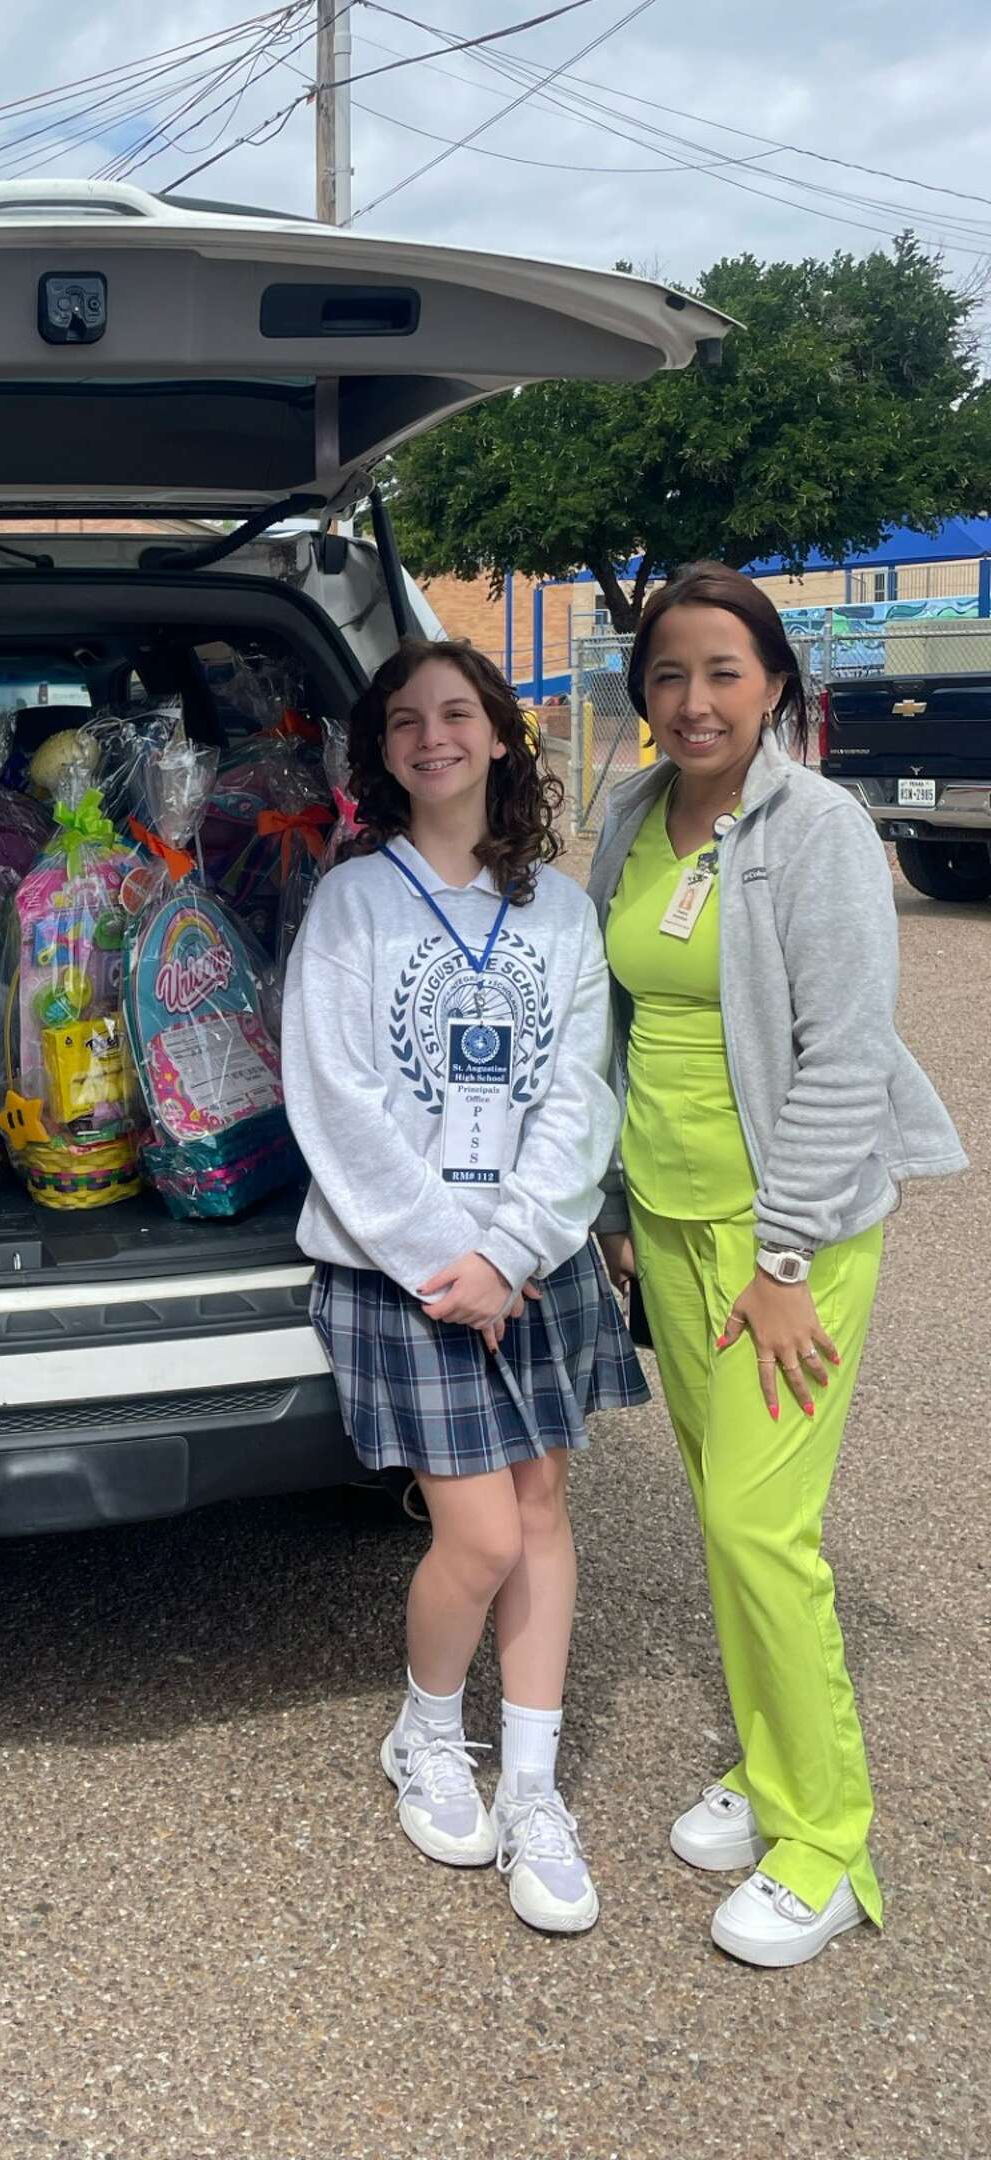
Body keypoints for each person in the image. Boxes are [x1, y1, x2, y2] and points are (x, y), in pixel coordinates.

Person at [589, 563, 964, 1969]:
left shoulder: (817, 830)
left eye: (724, 672)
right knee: (717, 1513)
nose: (695, 700)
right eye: (670, 674)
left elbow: (847, 1054)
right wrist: (617, 1207)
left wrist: (789, 1254)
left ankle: (826, 1843)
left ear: (777, 684)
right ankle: (766, 1767)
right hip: (670, 1228)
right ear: (643, 694)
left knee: (762, 1529)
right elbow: (610, 1020)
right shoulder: (629, 815)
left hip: (787, 1240)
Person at [283, 638, 642, 1936]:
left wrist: (519, 1248)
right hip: (407, 1269)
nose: (432, 736)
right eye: (405, 722)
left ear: (501, 735)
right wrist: (453, 1256)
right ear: (384, 755)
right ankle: (428, 1734)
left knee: (543, 1509)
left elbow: (575, 1093)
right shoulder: (352, 907)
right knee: (479, 1534)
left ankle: (536, 1792)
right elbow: (341, 1103)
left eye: (457, 713)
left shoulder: (558, 912)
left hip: (525, 1264)